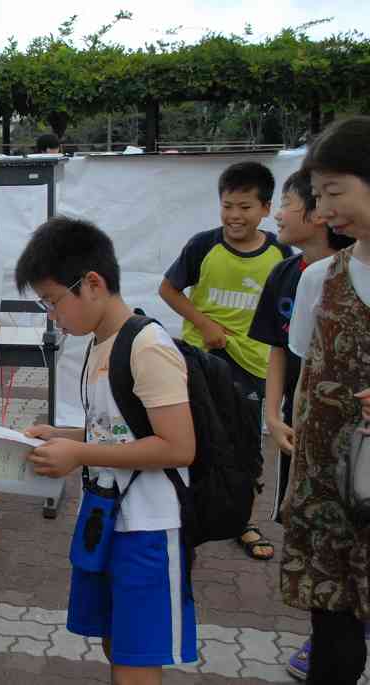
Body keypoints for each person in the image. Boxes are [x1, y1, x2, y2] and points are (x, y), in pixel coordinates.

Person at [17, 216, 197, 683]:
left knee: (138, 655)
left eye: (53, 301)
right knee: (116, 638)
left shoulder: (147, 345)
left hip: (149, 528)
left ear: (92, 283)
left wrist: (80, 455)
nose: (52, 315)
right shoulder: (100, 341)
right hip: (109, 517)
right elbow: (116, 433)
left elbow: (178, 446)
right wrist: (64, 437)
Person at [248, 170, 353, 680]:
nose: (275, 215)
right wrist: (275, 414)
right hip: (321, 453)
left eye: (334, 194)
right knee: (327, 588)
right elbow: (291, 359)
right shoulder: (304, 277)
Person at [159, 161, 291, 561]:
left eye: (245, 207)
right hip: (201, 362)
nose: (234, 216)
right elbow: (168, 290)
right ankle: (184, 512)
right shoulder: (204, 245)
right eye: (227, 206)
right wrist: (204, 323)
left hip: (254, 367)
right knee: (191, 438)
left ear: (265, 208)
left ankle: (241, 521)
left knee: (245, 448)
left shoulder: (281, 256)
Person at [281, 115, 370, 684]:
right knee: (333, 633)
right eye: (317, 196)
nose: (324, 209)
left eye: (335, 192)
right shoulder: (320, 278)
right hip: (329, 494)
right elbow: (303, 380)